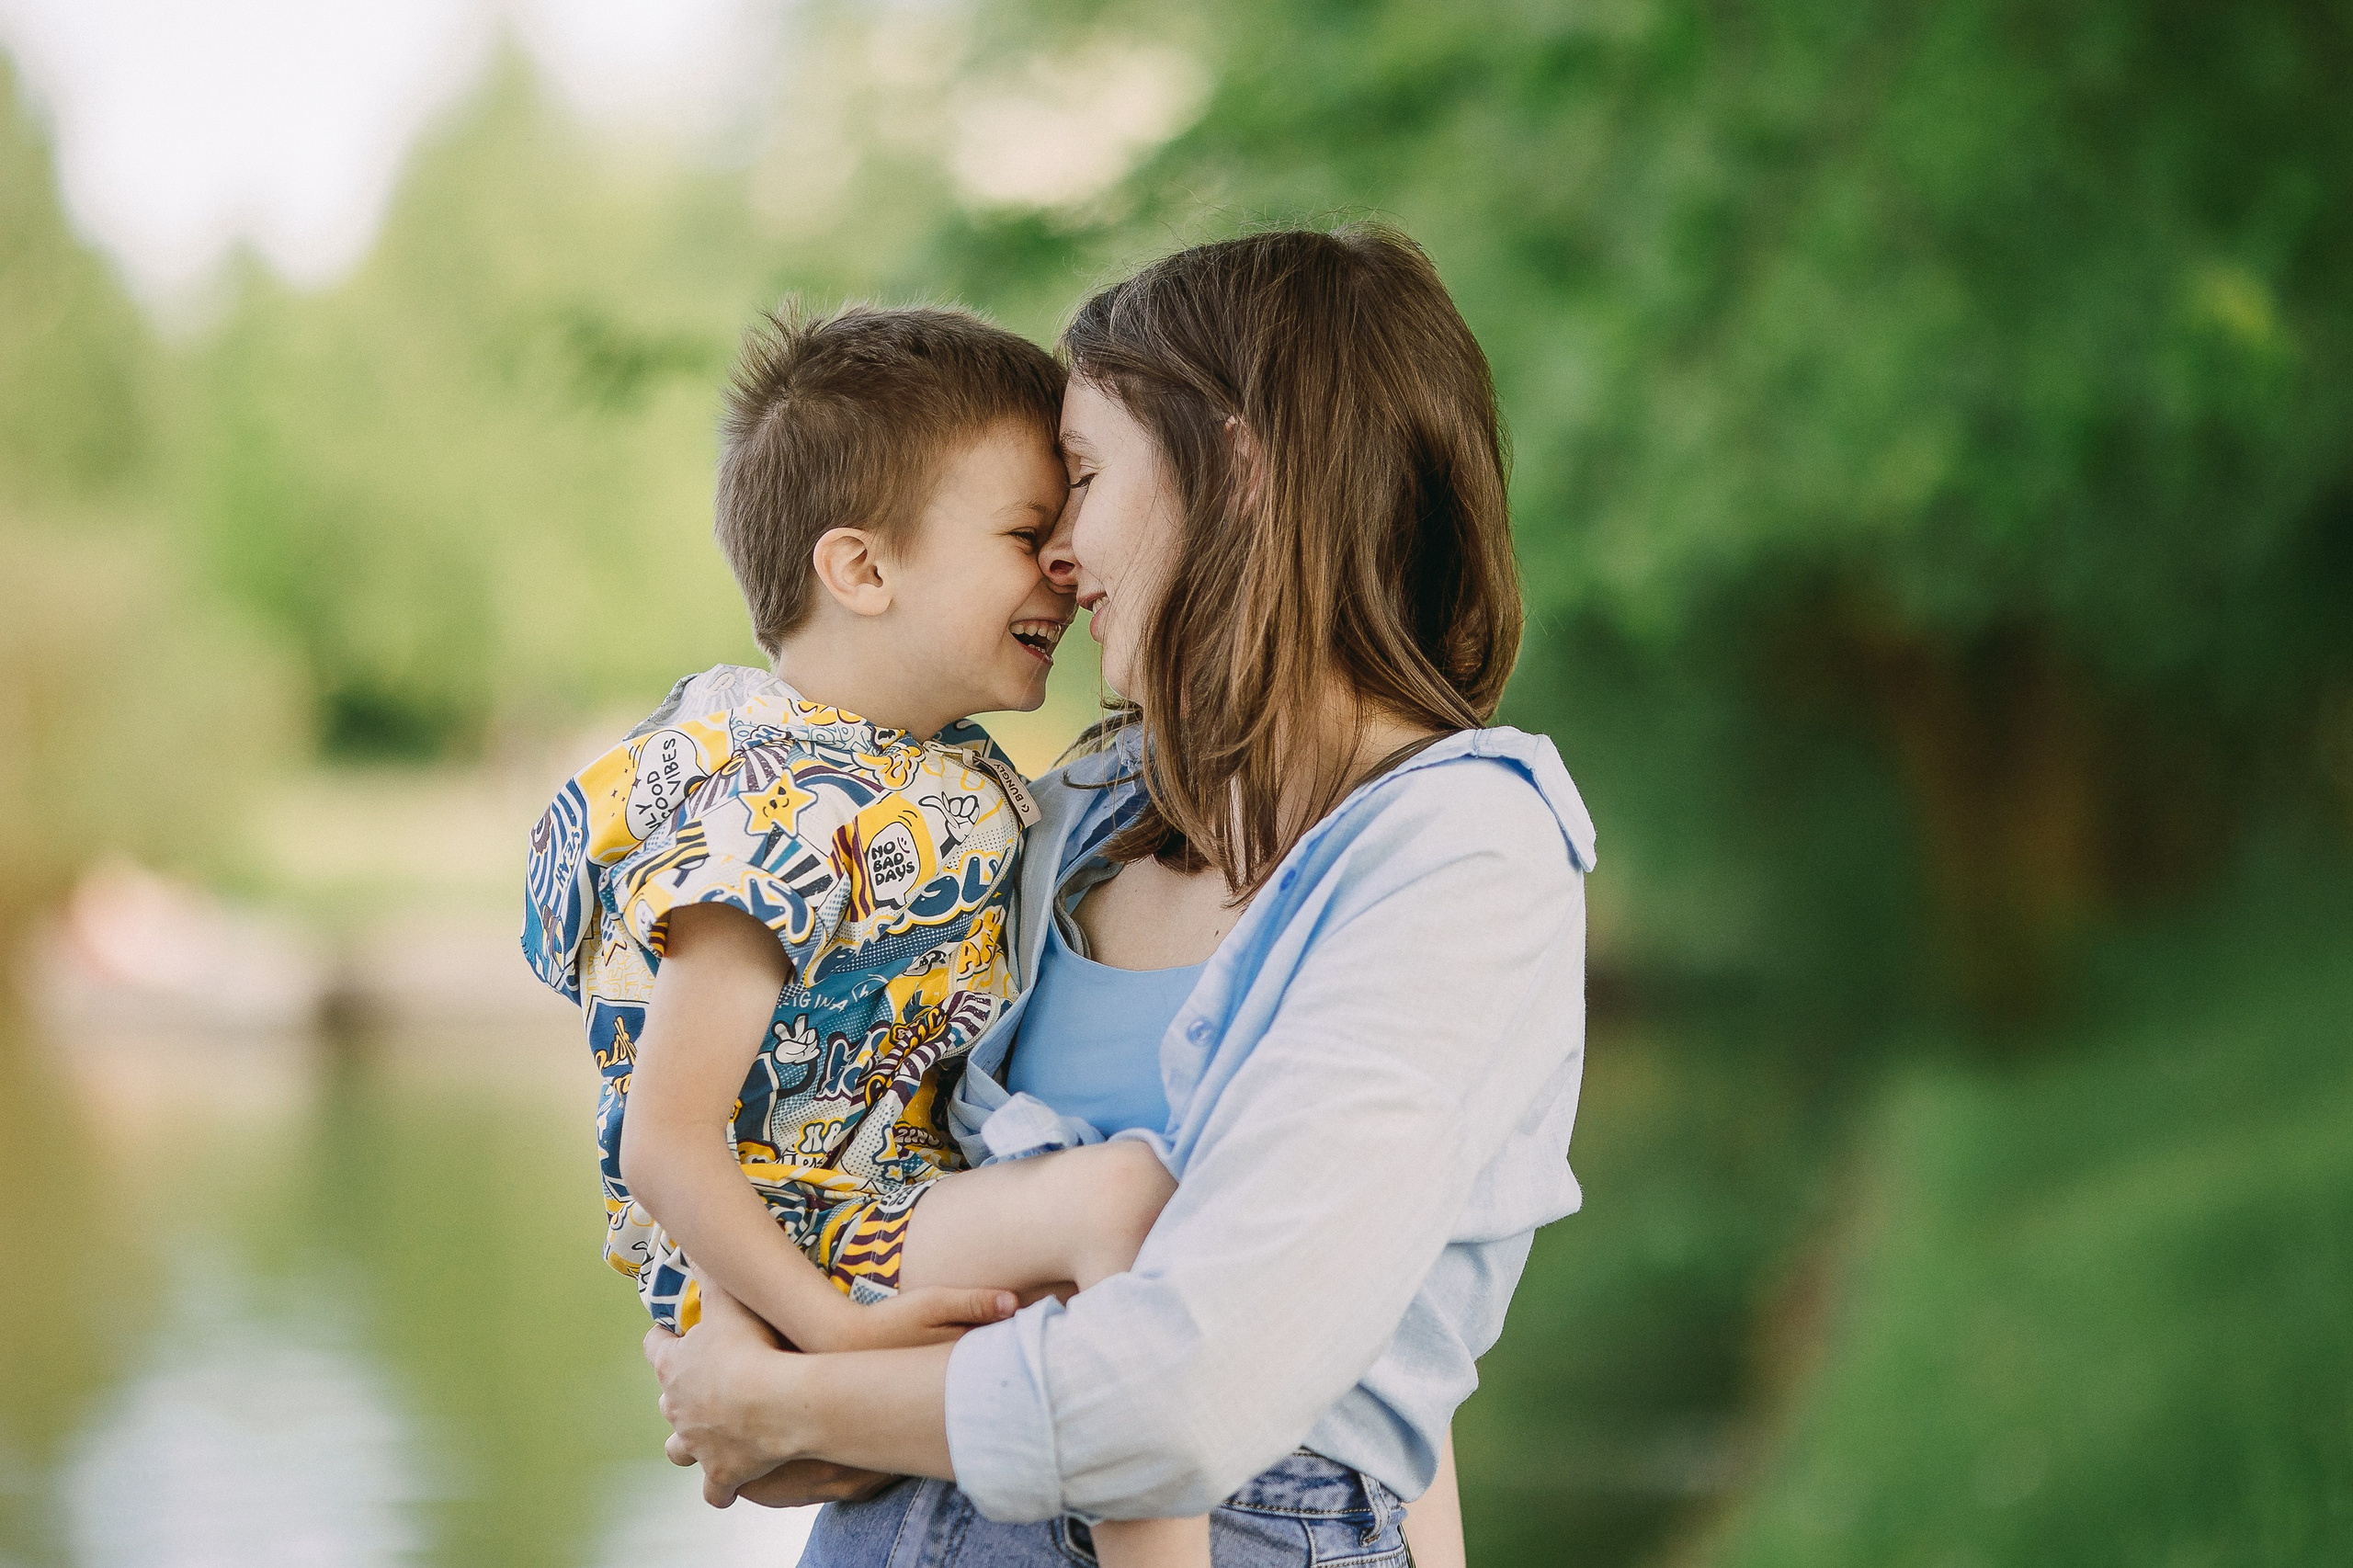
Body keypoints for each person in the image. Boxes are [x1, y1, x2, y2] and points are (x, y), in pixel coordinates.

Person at [647, 224, 1597, 1568]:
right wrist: (760, 1350)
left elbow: (1234, 1381)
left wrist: (781, 1402)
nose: (1061, 555)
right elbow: (821, 1147)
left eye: (1084, 480)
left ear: (1241, 472)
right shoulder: (1074, 817)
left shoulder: (1460, 852)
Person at [520, 304, 1223, 1568]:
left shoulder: (939, 772)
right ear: (861, 570)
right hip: (801, 1230)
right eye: (1026, 533)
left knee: (1127, 1243)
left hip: (886, 1210)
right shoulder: (773, 811)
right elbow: (664, 1138)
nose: (1066, 567)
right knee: (1123, 1195)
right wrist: (826, 1337)